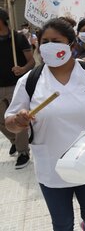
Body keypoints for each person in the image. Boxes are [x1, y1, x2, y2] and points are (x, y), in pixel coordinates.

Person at [4, 18, 85, 231]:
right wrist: (18, 121)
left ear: (71, 45)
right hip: (51, 167)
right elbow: (10, 123)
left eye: (55, 41)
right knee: (62, 224)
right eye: (44, 41)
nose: (49, 46)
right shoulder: (30, 81)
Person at [0, 9, 35, 169]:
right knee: (3, 122)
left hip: (16, 85)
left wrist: (22, 69)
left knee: (18, 119)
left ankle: (23, 152)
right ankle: (14, 140)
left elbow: (32, 62)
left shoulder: (18, 38)